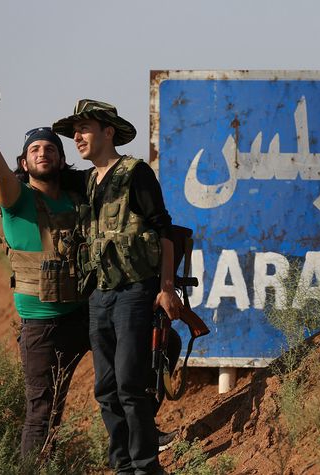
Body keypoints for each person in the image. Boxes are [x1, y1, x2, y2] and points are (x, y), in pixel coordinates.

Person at [53, 99, 183, 475]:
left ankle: (146, 467)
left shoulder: (135, 172)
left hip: (135, 292)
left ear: (108, 132)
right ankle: (122, 466)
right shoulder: (85, 182)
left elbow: (164, 230)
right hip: (99, 297)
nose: (76, 137)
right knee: (106, 389)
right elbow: (31, 176)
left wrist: (166, 288)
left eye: (84, 129)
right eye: (73, 132)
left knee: (130, 383)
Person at [0, 94, 90, 460]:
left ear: (62, 160)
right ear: (24, 161)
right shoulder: (17, 198)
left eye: (50, 148)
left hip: (85, 313)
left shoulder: (77, 199)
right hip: (41, 327)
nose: (42, 153)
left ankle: (136, 444)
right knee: (43, 413)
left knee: (127, 371)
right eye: (34, 149)